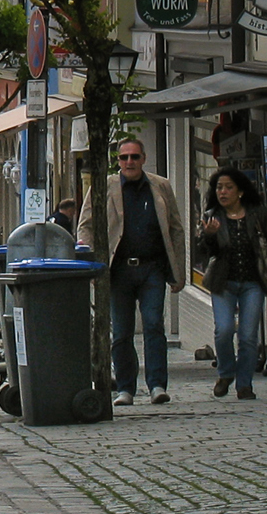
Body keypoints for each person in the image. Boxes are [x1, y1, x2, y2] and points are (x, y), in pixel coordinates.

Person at [77, 138, 184, 407]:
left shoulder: (160, 186)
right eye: (124, 158)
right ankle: (125, 388)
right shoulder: (106, 187)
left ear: (143, 158)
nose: (129, 162)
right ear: (118, 161)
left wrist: (178, 271)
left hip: (152, 268)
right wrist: (89, 258)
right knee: (122, 331)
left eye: (134, 157)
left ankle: (157, 385)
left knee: (153, 325)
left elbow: (175, 229)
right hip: (119, 269)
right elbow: (86, 224)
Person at [196, 167, 267, 399]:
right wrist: (208, 235)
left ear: (240, 191)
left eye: (228, 187)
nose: (223, 192)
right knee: (224, 330)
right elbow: (204, 254)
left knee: (248, 336)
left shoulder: (257, 214)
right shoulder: (212, 215)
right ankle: (226, 373)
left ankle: (244, 384)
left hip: (252, 282)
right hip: (223, 282)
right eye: (219, 187)